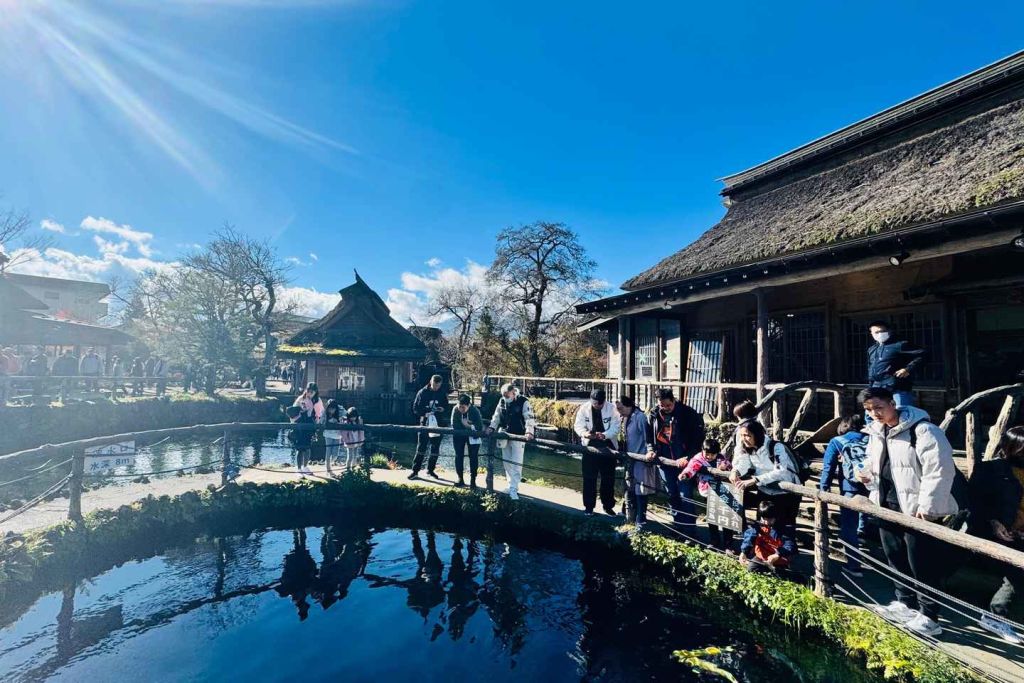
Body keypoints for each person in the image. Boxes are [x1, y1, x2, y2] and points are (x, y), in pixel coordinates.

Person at [856, 386, 957, 637]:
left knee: (922, 562)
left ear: (893, 403)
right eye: (869, 409)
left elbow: (939, 469)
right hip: (886, 504)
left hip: (915, 509)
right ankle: (905, 603)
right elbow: (873, 462)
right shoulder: (876, 432)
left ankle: (930, 616)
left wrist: (928, 507)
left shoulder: (923, 430)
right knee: (895, 556)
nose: (874, 413)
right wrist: (865, 475)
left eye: (879, 407)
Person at [969, 426, 1024, 644]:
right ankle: (995, 616)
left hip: (1020, 533)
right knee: (1020, 570)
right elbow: (974, 502)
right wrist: (993, 522)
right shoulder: (990, 470)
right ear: (1011, 448)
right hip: (998, 533)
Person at [819, 413, 871, 577]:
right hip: (872, 486)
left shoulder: (837, 441)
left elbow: (828, 467)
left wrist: (824, 488)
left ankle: (854, 566)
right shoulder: (871, 439)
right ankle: (862, 531)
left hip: (850, 487)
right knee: (865, 513)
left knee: (848, 526)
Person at [647, 388, 705, 526]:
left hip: (684, 462)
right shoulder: (654, 414)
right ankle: (677, 527)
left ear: (674, 400)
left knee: (685, 495)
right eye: (662, 405)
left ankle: (689, 530)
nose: (665, 408)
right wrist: (651, 450)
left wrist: (688, 457)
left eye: (668, 405)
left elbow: (698, 439)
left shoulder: (688, 413)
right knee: (672, 495)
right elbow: (649, 436)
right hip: (664, 461)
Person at [729, 420, 802, 527]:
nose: (744, 439)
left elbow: (781, 471)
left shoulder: (776, 447)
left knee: (784, 528)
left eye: (747, 435)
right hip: (764, 491)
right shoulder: (749, 448)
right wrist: (735, 471)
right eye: (742, 435)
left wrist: (756, 480)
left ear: (757, 435)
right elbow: (744, 463)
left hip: (785, 494)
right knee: (763, 527)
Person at [680, 439, 735, 551]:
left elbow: (730, 468)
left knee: (726, 516)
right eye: (707, 454)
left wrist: (725, 468)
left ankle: (728, 544)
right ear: (702, 450)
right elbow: (691, 468)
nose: (709, 457)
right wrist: (685, 475)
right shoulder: (698, 459)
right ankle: (715, 541)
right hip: (708, 491)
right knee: (712, 516)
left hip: (722, 490)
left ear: (717, 453)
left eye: (712, 454)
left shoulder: (721, 459)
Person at [573, 389, 621, 516]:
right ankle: (589, 507)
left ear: (603, 401)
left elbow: (616, 427)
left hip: (608, 446)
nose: (596, 406)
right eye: (594, 403)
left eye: (599, 404)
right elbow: (578, 426)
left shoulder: (612, 409)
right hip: (589, 447)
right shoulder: (584, 408)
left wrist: (604, 435)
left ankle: (608, 506)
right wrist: (585, 434)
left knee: (608, 479)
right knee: (589, 478)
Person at [486, 383, 535, 500]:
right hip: (505, 434)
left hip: (519, 435)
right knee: (506, 461)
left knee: (516, 463)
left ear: (513, 393)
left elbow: (529, 417)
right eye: (504, 396)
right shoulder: (502, 401)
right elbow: (496, 416)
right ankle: (510, 485)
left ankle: (514, 488)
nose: (505, 398)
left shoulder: (523, 401)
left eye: (507, 396)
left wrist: (529, 431)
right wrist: (492, 427)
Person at [616, 395, 657, 530]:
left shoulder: (640, 417)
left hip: (640, 457)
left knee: (641, 489)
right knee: (630, 487)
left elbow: (648, 437)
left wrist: (649, 451)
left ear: (628, 406)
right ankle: (630, 515)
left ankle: (641, 519)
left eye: (621, 408)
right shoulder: (626, 417)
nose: (619, 411)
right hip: (630, 457)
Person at [866, 321, 926, 408]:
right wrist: (870, 386)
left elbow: (922, 354)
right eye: (876, 332)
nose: (879, 334)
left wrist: (908, 369)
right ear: (871, 333)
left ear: (889, 331)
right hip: (876, 387)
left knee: (902, 411)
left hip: (897, 386)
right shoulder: (872, 349)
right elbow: (870, 367)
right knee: (873, 412)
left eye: (882, 331)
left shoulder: (899, 344)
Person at [740, 499, 798, 573]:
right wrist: (744, 552)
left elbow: (790, 545)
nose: (766, 522)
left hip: (778, 558)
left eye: (770, 519)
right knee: (751, 568)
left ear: (776, 517)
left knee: (781, 573)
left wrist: (777, 554)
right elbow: (749, 537)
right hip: (762, 557)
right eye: (764, 519)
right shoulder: (758, 525)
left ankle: (783, 567)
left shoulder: (784, 528)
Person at [409, 374, 448, 480]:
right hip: (425, 423)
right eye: (434, 385)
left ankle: (430, 470)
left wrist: (442, 409)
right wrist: (424, 414)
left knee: (435, 448)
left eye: (438, 386)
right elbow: (415, 408)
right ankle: (415, 471)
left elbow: (446, 406)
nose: (436, 388)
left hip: (438, 424)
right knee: (421, 447)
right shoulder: (422, 392)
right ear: (431, 382)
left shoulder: (442, 393)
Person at [451, 394, 484, 488]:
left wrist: (468, 426)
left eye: (463, 407)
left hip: (473, 436)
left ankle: (473, 480)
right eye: (459, 406)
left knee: (473, 457)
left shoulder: (474, 411)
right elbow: (454, 425)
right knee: (459, 456)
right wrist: (468, 426)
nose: (461, 409)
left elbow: (479, 427)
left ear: (468, 405)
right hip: (459, 435)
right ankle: (460, 478)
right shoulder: (455, 410)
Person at [292, 382, 325, 475]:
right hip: (300, 425)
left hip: (311, 426)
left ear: (315, 392)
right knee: (300, 448)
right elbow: (293, 411)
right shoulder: (301, 399)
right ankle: (299, 468)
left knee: (307, 448)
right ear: (306, 390)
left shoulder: (318, 400)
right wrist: (300, 412)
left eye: (312, 392)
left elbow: (321, 413)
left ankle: (305, 466)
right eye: (308, 391)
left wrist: (317, 423)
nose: (310, 394)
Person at [324, 399, 345, 472]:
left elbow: (346, 414)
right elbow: (321, 421)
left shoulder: (340, 412)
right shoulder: (325, 413)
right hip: (328, 434)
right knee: (328, 451)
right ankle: (328, 469)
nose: (331, 410)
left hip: (337, 435)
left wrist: (340, 407)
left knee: (335, 454)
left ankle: (330, 462)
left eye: (333, 409)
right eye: (330, 409)